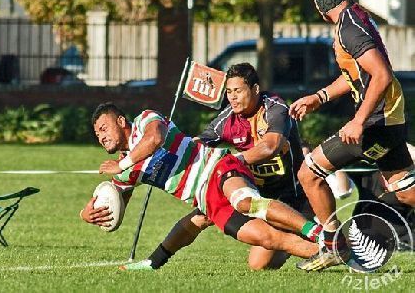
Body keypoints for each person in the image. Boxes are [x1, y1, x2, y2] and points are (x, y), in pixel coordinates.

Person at [120, 62, 318, 271]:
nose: (232, 97)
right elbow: (199, 144)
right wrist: (163, 155)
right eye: (229, 92)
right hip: (261, 193)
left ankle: (332, 243)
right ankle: (154, 262)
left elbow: (270, 146)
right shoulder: (228, 119)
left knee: (329, 239)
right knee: (253, 260)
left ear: (255, 89)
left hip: (297, 193)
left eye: (238, 91)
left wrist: (234, 161)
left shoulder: (275, 108)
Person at [81, 102, 322, 265]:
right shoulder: (125, 171)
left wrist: (122, 165)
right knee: (267, 239)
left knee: (245, 202)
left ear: (121, 121)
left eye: (104, 129)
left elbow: (156, 138)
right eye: (98, 135)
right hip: (206, 200)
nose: (102, 137)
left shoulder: (145, 120)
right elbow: (113, 204)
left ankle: (320, 233)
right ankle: (330, 251)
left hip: (217, 167)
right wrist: (87, 215)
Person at [289, 0, 415, 271]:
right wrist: (319, 97)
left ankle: (335, 247)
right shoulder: (355, 16)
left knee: (309, 173)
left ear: (319, 2)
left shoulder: (349, 27)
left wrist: (358, 121)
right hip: (390, 120)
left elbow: (381, 74)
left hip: (375, 123)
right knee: (405, 191)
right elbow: (357, 74)